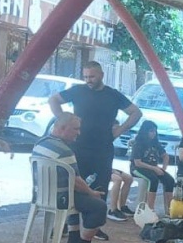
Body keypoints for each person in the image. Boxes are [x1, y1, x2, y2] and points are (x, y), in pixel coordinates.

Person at [48, 61, 141, 202]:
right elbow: (53, 100)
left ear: (101, 75)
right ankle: (72, 223)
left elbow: (136, 113)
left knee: (100, 190)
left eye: (92, 77)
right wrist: (64, 121)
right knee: (74, 188)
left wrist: (120, 131)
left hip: (103, 149)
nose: (88, 80)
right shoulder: (78, 90)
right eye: (85, 77)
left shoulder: (113, 95)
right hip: (78, 146)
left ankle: (96, 222)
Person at [32, 113, 109, 243]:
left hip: (42, 194)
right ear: (62, 128)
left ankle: (73, 238)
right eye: (76, 129)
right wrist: (92, 193)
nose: (79, 133)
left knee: (79, 196)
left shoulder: (40, 143)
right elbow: (77, 181)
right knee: (98, 206)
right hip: (60, 197)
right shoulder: (64, 151)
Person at [130, 121, 175, 215]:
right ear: (145, 131)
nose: (153, 133)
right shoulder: (138, 144)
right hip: (138, 168)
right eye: (151, 131)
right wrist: (154, 169)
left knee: (170, 180)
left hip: (153, 168)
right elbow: (137, 163)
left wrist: (163, 168)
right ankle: (150, 209)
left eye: (155, 131)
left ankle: (170, 209)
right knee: (153, 180)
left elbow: (165, 156)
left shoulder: (155, 143)